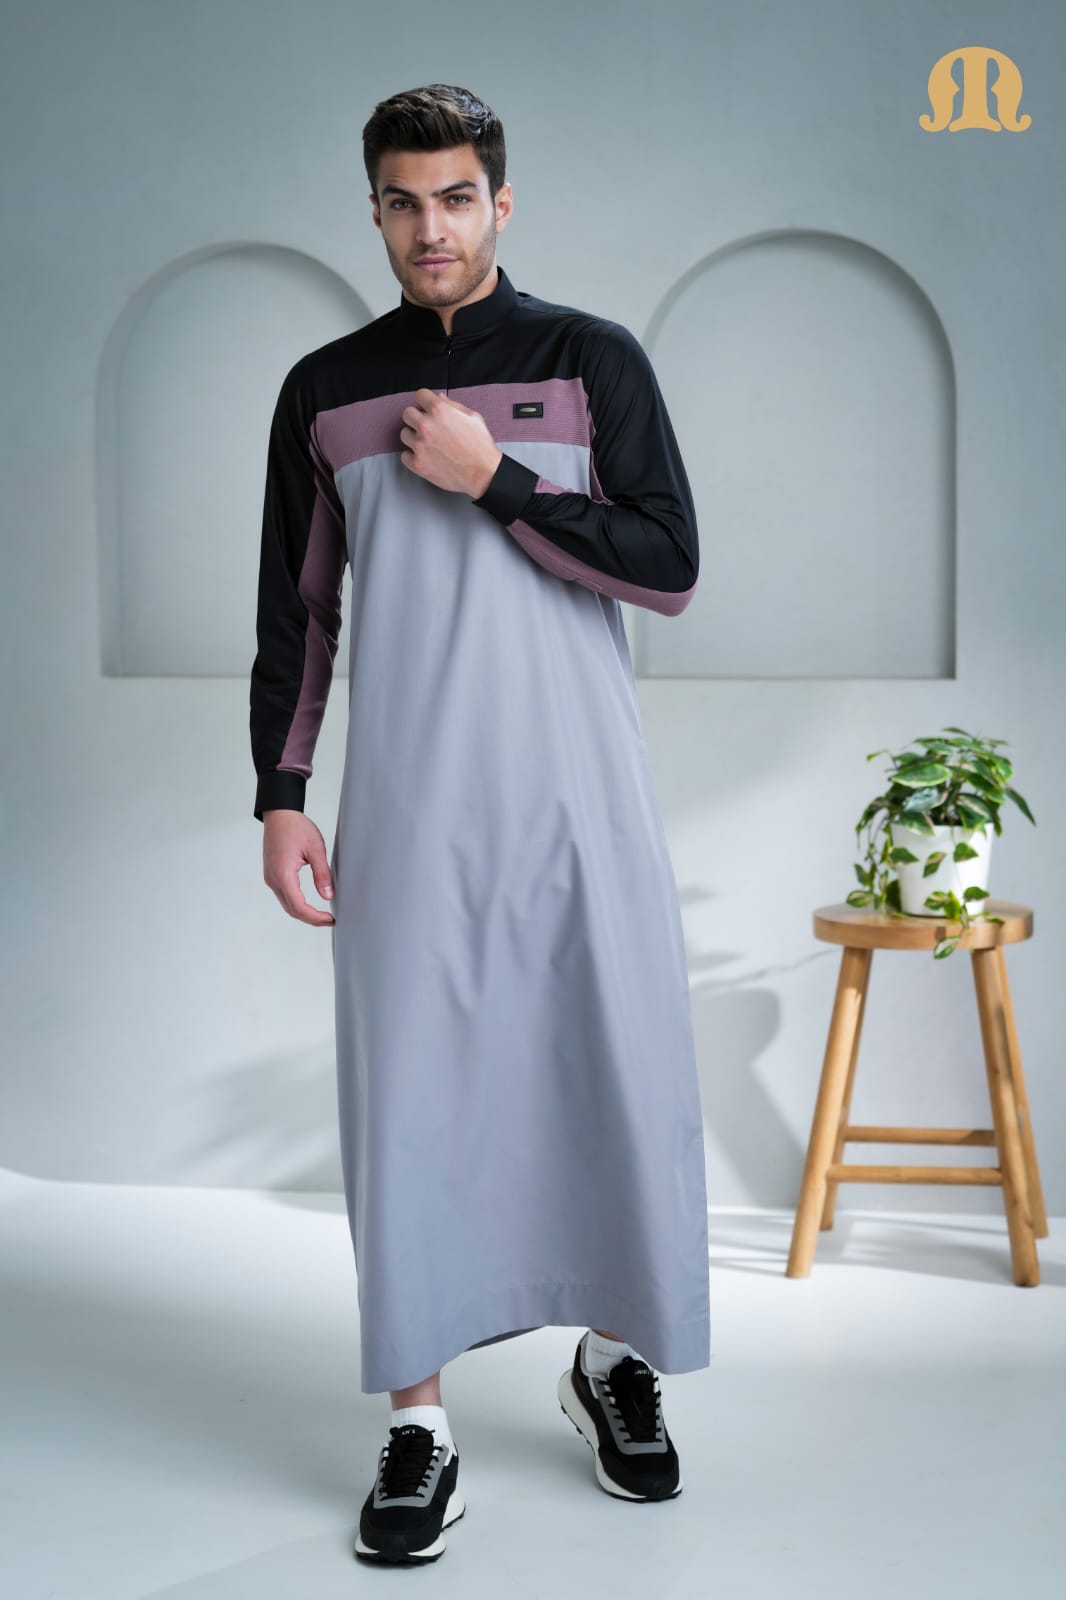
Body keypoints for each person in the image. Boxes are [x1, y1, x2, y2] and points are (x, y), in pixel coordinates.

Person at [249, 82, 710, 1566]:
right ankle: (419, 1424)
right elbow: (298, 613)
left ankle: (612, 1361)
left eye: (455, 197)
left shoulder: (590, 359)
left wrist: (493, 480)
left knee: (611, 1072)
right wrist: (281, 796)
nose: (429, 227)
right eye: (402, 201)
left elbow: (667, 565)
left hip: (582, 797)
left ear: (500, 203)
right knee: (411, 1101)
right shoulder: (326, 390)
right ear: (375, 211)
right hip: (410, 806)